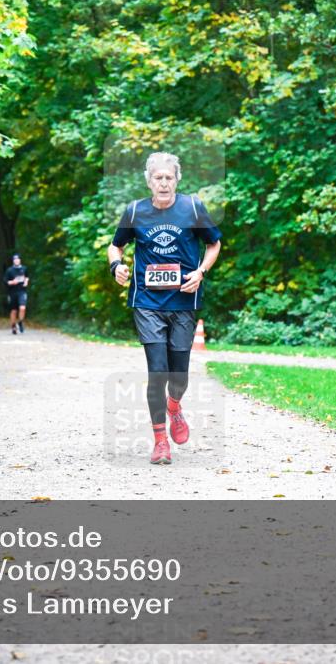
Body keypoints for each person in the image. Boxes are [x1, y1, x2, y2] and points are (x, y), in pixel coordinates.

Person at [108, 152, 222, 465]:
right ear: (149, 180)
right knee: (157, 372)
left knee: (179, 378)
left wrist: (200, 272)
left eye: (169, 177)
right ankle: (160, 441)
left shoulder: (193, 207)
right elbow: (115, 245)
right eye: (158, 177)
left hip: (184, 301)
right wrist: (116, 265)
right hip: (147, 302)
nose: (163, 182)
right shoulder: (135, 211)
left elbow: (214, 244)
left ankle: (175, 407)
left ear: (177, 180)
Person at [3, 254, 29, 334]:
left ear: (20, 260)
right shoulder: (9, 270)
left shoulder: (24, 268)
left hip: (22, 291)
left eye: (18, 259)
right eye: (15, 259)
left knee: (22, 308)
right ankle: (13, 326)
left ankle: (20, 322)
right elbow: (5, 281)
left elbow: (27, 277)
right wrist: (12, 282)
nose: (16, 261)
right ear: (13, 261)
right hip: (12, 292)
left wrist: (26, 282)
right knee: (13, 311)